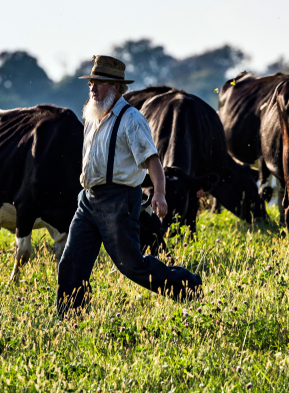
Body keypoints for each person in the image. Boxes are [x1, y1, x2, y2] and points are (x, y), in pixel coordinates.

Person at [56, 56, 202, 318]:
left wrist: (159, 193)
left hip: (119, 200)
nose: (92, 88)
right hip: (88, 200)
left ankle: (188, 286)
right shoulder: (91, 115)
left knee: (132, 265)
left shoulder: (131, 119)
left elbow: (152, 160)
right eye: (91, 82)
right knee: (71, 262)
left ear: (115, 87)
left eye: (98, 83)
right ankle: (69, 318)